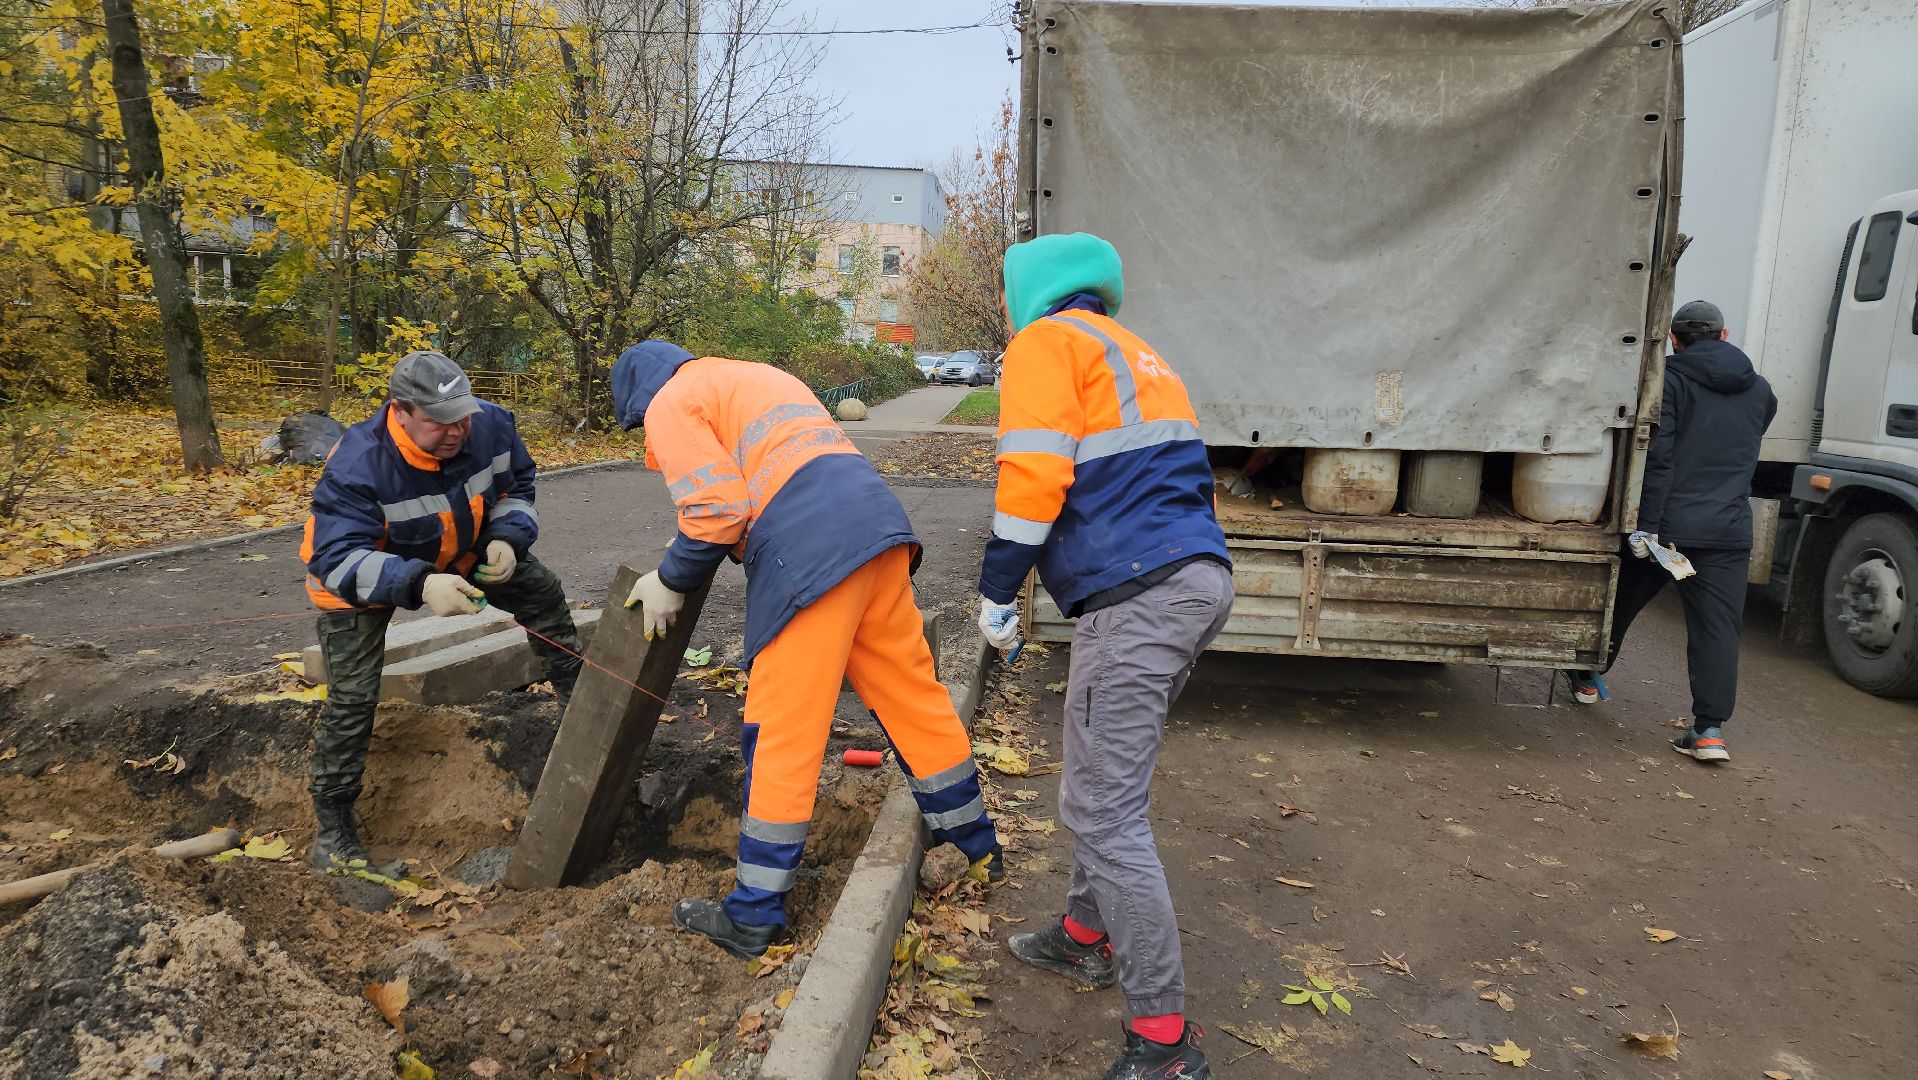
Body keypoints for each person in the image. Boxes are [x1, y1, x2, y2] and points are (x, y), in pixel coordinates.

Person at [612, 339, 1004, 958]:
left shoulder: (669, 401)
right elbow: (764, 478)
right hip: (876, 531)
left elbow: (718, 509)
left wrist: (670, 578)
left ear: (638, 399)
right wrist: (694, 541)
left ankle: (753, 915)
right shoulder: (747, 374)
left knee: (782, 731)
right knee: (913, 699)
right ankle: (973, 847)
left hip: (813, 554)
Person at [979, 232, 1233, 1080]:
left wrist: (996, 589)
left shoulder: (1045, 344)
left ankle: (1164, 1045)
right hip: (1193, 579)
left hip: (1137, 597)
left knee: (1104, 811)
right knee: (1108, 786)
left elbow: (1032, 478)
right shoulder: (1133, 350)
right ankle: (1084, 935)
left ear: (1029, 289)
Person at [301, 350, 583, 868]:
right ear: (400, 411)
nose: (455, 431)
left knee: (541, 592)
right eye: (438, 421)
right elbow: (336, 558)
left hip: (463, 551)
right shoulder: (359, 462)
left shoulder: (491, 425)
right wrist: (420, 582)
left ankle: (580, 717)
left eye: (461, 417)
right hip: (363, 579)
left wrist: (508, 538)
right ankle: (333, 830)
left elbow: (517, 486)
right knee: (353, 697)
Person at [1566, 300, 1776, 763]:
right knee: (1717, 629)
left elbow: (1659, 461)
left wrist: (1646, 528)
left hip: (1670, 529)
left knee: (1620, 602)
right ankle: (1709, 732)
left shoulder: (1670, 382)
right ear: (1724, 335)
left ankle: (1585, 676)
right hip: (1728, 529)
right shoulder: (1761, 390)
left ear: (1675, 341)